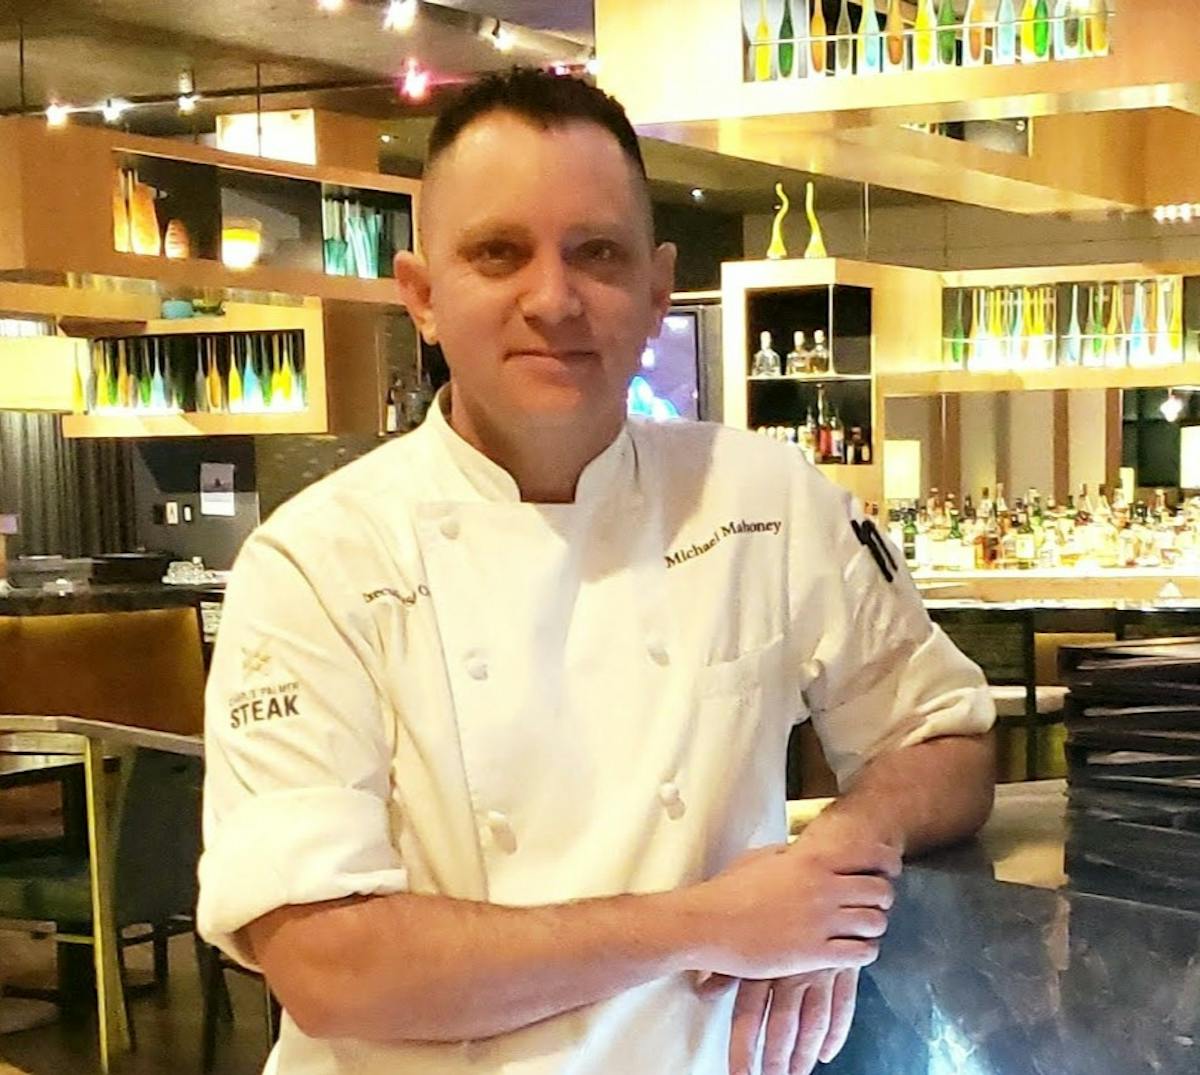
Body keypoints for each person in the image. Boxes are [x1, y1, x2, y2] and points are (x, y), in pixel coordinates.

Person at [198, 68, 996, 1075]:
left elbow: (946, 742)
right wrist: (709, 923)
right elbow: (330, 964)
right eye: (498, 252)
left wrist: (836, 862)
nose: (553, 297)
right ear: (423, 296)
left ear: (658, 291)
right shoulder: (316, 562)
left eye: (598, 253)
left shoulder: (762, 497)